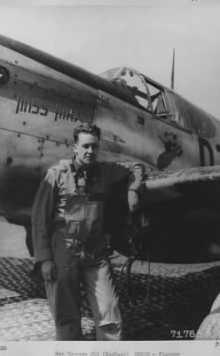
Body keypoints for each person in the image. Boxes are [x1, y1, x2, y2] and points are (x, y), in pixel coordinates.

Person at [31, 124, 144, 340]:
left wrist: (132, 190)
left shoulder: (106, 172)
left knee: (109, 313)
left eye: (94, 147)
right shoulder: (56, 175)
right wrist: (44, 259)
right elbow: (39, 220)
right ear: (75, 147)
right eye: (85, 146)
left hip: (95, 253)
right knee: (66, 319)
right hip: (63, 253)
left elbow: (135, 167)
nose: (90, 151)